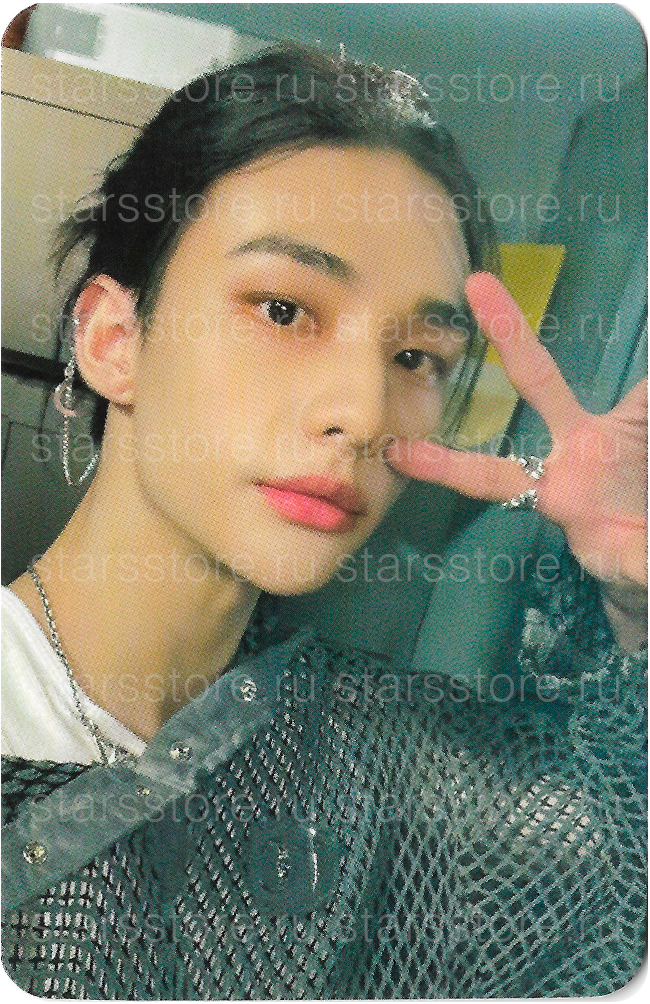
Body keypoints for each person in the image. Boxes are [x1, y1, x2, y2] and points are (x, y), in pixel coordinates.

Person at [1, 40, 646, 999]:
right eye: (283, 308)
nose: (365, 411)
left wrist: (637, 605)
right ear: (113, 340)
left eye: (418, 357)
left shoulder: (399, 764)